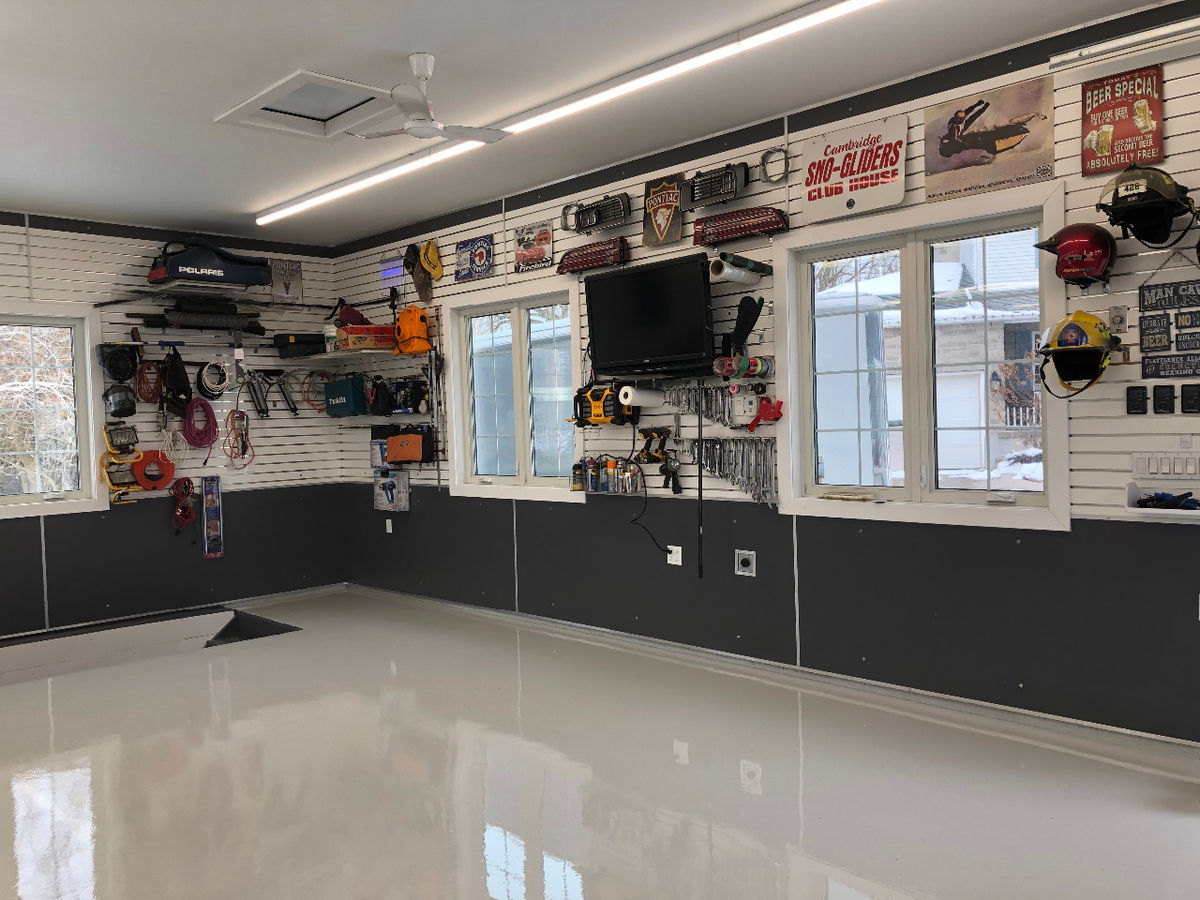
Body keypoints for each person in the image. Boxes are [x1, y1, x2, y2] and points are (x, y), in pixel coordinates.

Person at [939, 98, 1046, 159]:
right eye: (960, 119)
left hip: (959, 137)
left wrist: (979, 105)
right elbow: (957, 138)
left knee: (975, 123)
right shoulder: (955, 128)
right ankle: (991, 152)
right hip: (959, 141)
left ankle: (991, 141)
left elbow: (969, 112)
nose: (963, 119)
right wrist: (961, 142)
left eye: (962, 118)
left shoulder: (959, 120)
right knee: (975, 141)